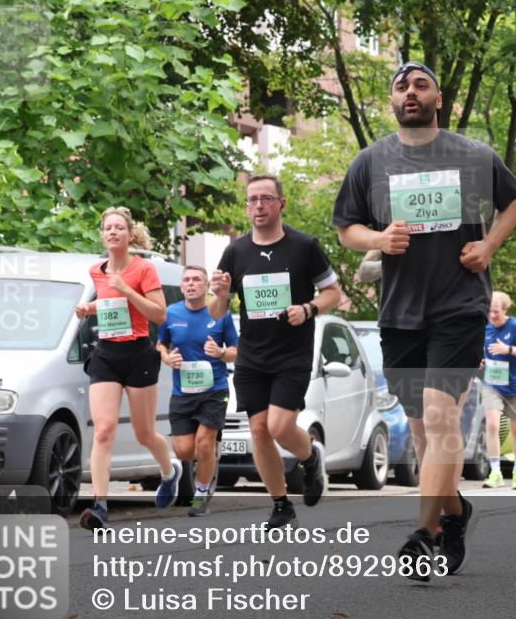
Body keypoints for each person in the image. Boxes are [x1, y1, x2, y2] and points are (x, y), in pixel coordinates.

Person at [333, 62, 516, 579]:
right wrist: (377, 240)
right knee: (422, 432)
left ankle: (425, 532)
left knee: (442, 419)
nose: (410, 92)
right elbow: (346, 228)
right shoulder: (370, 162)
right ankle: (455, 513)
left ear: (438, 98)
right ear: (392, 102)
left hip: (459, 306)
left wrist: (487, 245)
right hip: (400, 313)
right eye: (401, 87)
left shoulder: (471, 154)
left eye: (420, 85)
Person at [209, 174, 341, 530]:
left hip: (292, 354)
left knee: (280, 426)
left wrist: (309, 309)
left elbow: (334, 292)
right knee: (259, 431)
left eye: (266, 198)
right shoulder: (235, 251)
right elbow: (216, 313)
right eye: (252, 200)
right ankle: (281, 504)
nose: (258, 206)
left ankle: (310, 456)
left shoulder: (304, 246)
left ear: (281, 203)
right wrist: (220, 294)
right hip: (252, 356)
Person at [75, 207, 178, 531]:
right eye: (109, 228)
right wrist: (88, 308)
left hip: (138, 353)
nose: (114, 232)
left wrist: (127, 289)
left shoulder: (144, 268)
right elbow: (110, 305)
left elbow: (159, 315)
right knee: (104, 430)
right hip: (106, 353)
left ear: (130, 235)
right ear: (103, 234)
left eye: (120, 228)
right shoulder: (97, 270)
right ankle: (100, 506)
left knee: (145, 433)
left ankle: (168, 473)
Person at [157, 265, 239, 516]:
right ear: (182, 287)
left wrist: (222, 353)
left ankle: (201, 493)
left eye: (196, 280)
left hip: (214, 389)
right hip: (183, 392)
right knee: (183, 451)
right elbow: (160, 344)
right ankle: (195, 465)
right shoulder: (171, 313)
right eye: (186, 280)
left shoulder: (220, 314)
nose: (191, 284)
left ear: (205, 286)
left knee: (204, 444)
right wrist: (167, 358)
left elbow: (237, 350)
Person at [480, 291, 516, 490]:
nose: (492, 315)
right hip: (492, 383)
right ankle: (495, 471)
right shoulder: (484, 327)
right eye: (489, 311)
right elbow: (479, 351)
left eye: (496, 312)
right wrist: (480, 360)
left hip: (515, 384)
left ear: (505, 310)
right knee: (493, 425)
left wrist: (509, 350)